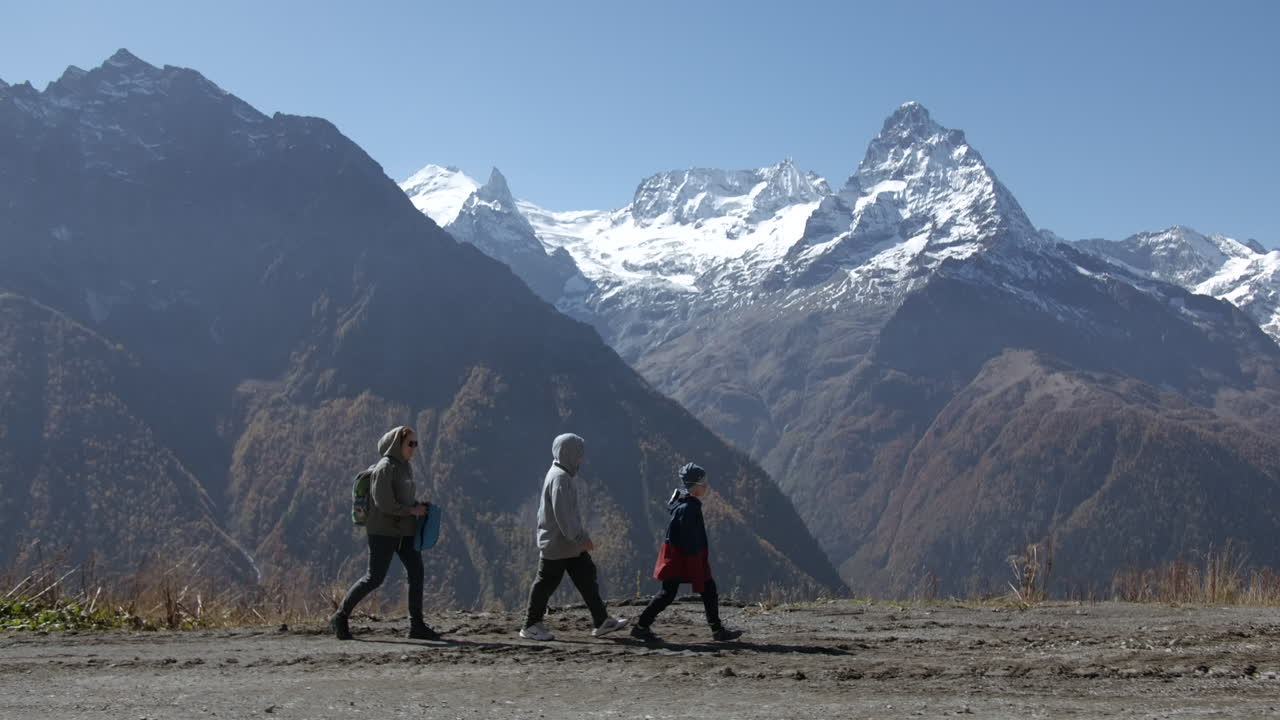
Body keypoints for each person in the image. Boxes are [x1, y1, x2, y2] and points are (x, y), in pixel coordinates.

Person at [330, 426, 440, 641]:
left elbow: (402, 498)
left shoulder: (405, 467)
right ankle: (340, 616)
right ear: (397, 445)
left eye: (416, 443)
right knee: (374, 578)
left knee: (416, 572)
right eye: (410, 443)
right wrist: (411, 510)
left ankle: (417, 625)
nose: (414, 448)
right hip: (382, 531)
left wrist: (418, 505)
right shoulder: (385, 468)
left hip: (404, 531)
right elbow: (384, 503)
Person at [519, 433, 627, 641]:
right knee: (546, 583)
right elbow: (564, 515)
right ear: (568, 454)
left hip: (566, 544)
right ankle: (530, 625)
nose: (581, 459)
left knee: (586, 576)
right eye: (578, 454)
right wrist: (580, 537)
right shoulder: (560, 478)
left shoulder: (559, 474)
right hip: (558, 544)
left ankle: (602, 620)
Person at [630, 462, 742, 643]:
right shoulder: (689, 509)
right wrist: (695, 561)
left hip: (677, 555)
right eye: (703, 482)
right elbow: (688, 538)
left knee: (679, 592)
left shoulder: (684, 502)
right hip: (685, 556)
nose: (706, 485)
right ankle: (716, 630)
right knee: (676, 592)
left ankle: (642, 627)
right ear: (695, 485)